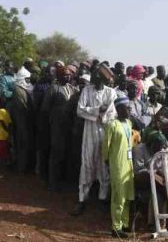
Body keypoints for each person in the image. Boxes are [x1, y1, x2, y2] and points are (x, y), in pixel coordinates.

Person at [73, 64, 117, 216]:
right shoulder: (87, 90)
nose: (95, 80)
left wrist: (100, 113)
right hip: (90, 132)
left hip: (105, 132)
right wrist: (97, 111)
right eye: (95, 77)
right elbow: (80, 109)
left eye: (98, 78)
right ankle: (82, 199)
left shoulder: (111, 92)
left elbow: (112, 112)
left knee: (104, 165)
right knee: (87, 163)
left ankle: (103, 198)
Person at [102, 97, 135, 238]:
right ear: (119, 109)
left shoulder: (128, 123)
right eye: (127, 108)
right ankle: (116, 227)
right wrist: (107, 161)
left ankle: (125, 224)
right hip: (117, 165)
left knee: (127, 196)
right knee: (118, 197)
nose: (130, 110)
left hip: (129, 165)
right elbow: (105, 146)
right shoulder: (112, 125)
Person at [41, 67, 78, 191]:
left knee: (68, 154)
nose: (67, 77)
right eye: (65, 75)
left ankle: (65, 181)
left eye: (69, 75)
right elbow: (45, 109)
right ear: (59, 76)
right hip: (56, 126)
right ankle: (52, 183)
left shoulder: (72, 89)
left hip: (69, 126)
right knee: (56, 154)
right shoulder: (53, 88)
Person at [9, 67, 34, 173]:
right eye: (27, 79)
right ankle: (21, 168)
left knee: (24, 145)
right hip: (21, 123)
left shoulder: (23, 90)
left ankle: (24, 167)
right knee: (21, 145)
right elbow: (23, 107)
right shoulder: (18, 90)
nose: (28, 82)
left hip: (24, 123)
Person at [0, 97, 12, 179]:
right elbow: (10, 124)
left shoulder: (0, 111)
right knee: (3, 155)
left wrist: (5, 130)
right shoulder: (7, 112)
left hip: (0, 136)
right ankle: (2, 172)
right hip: (5, 136)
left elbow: (1, 121)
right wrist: (8, 132)